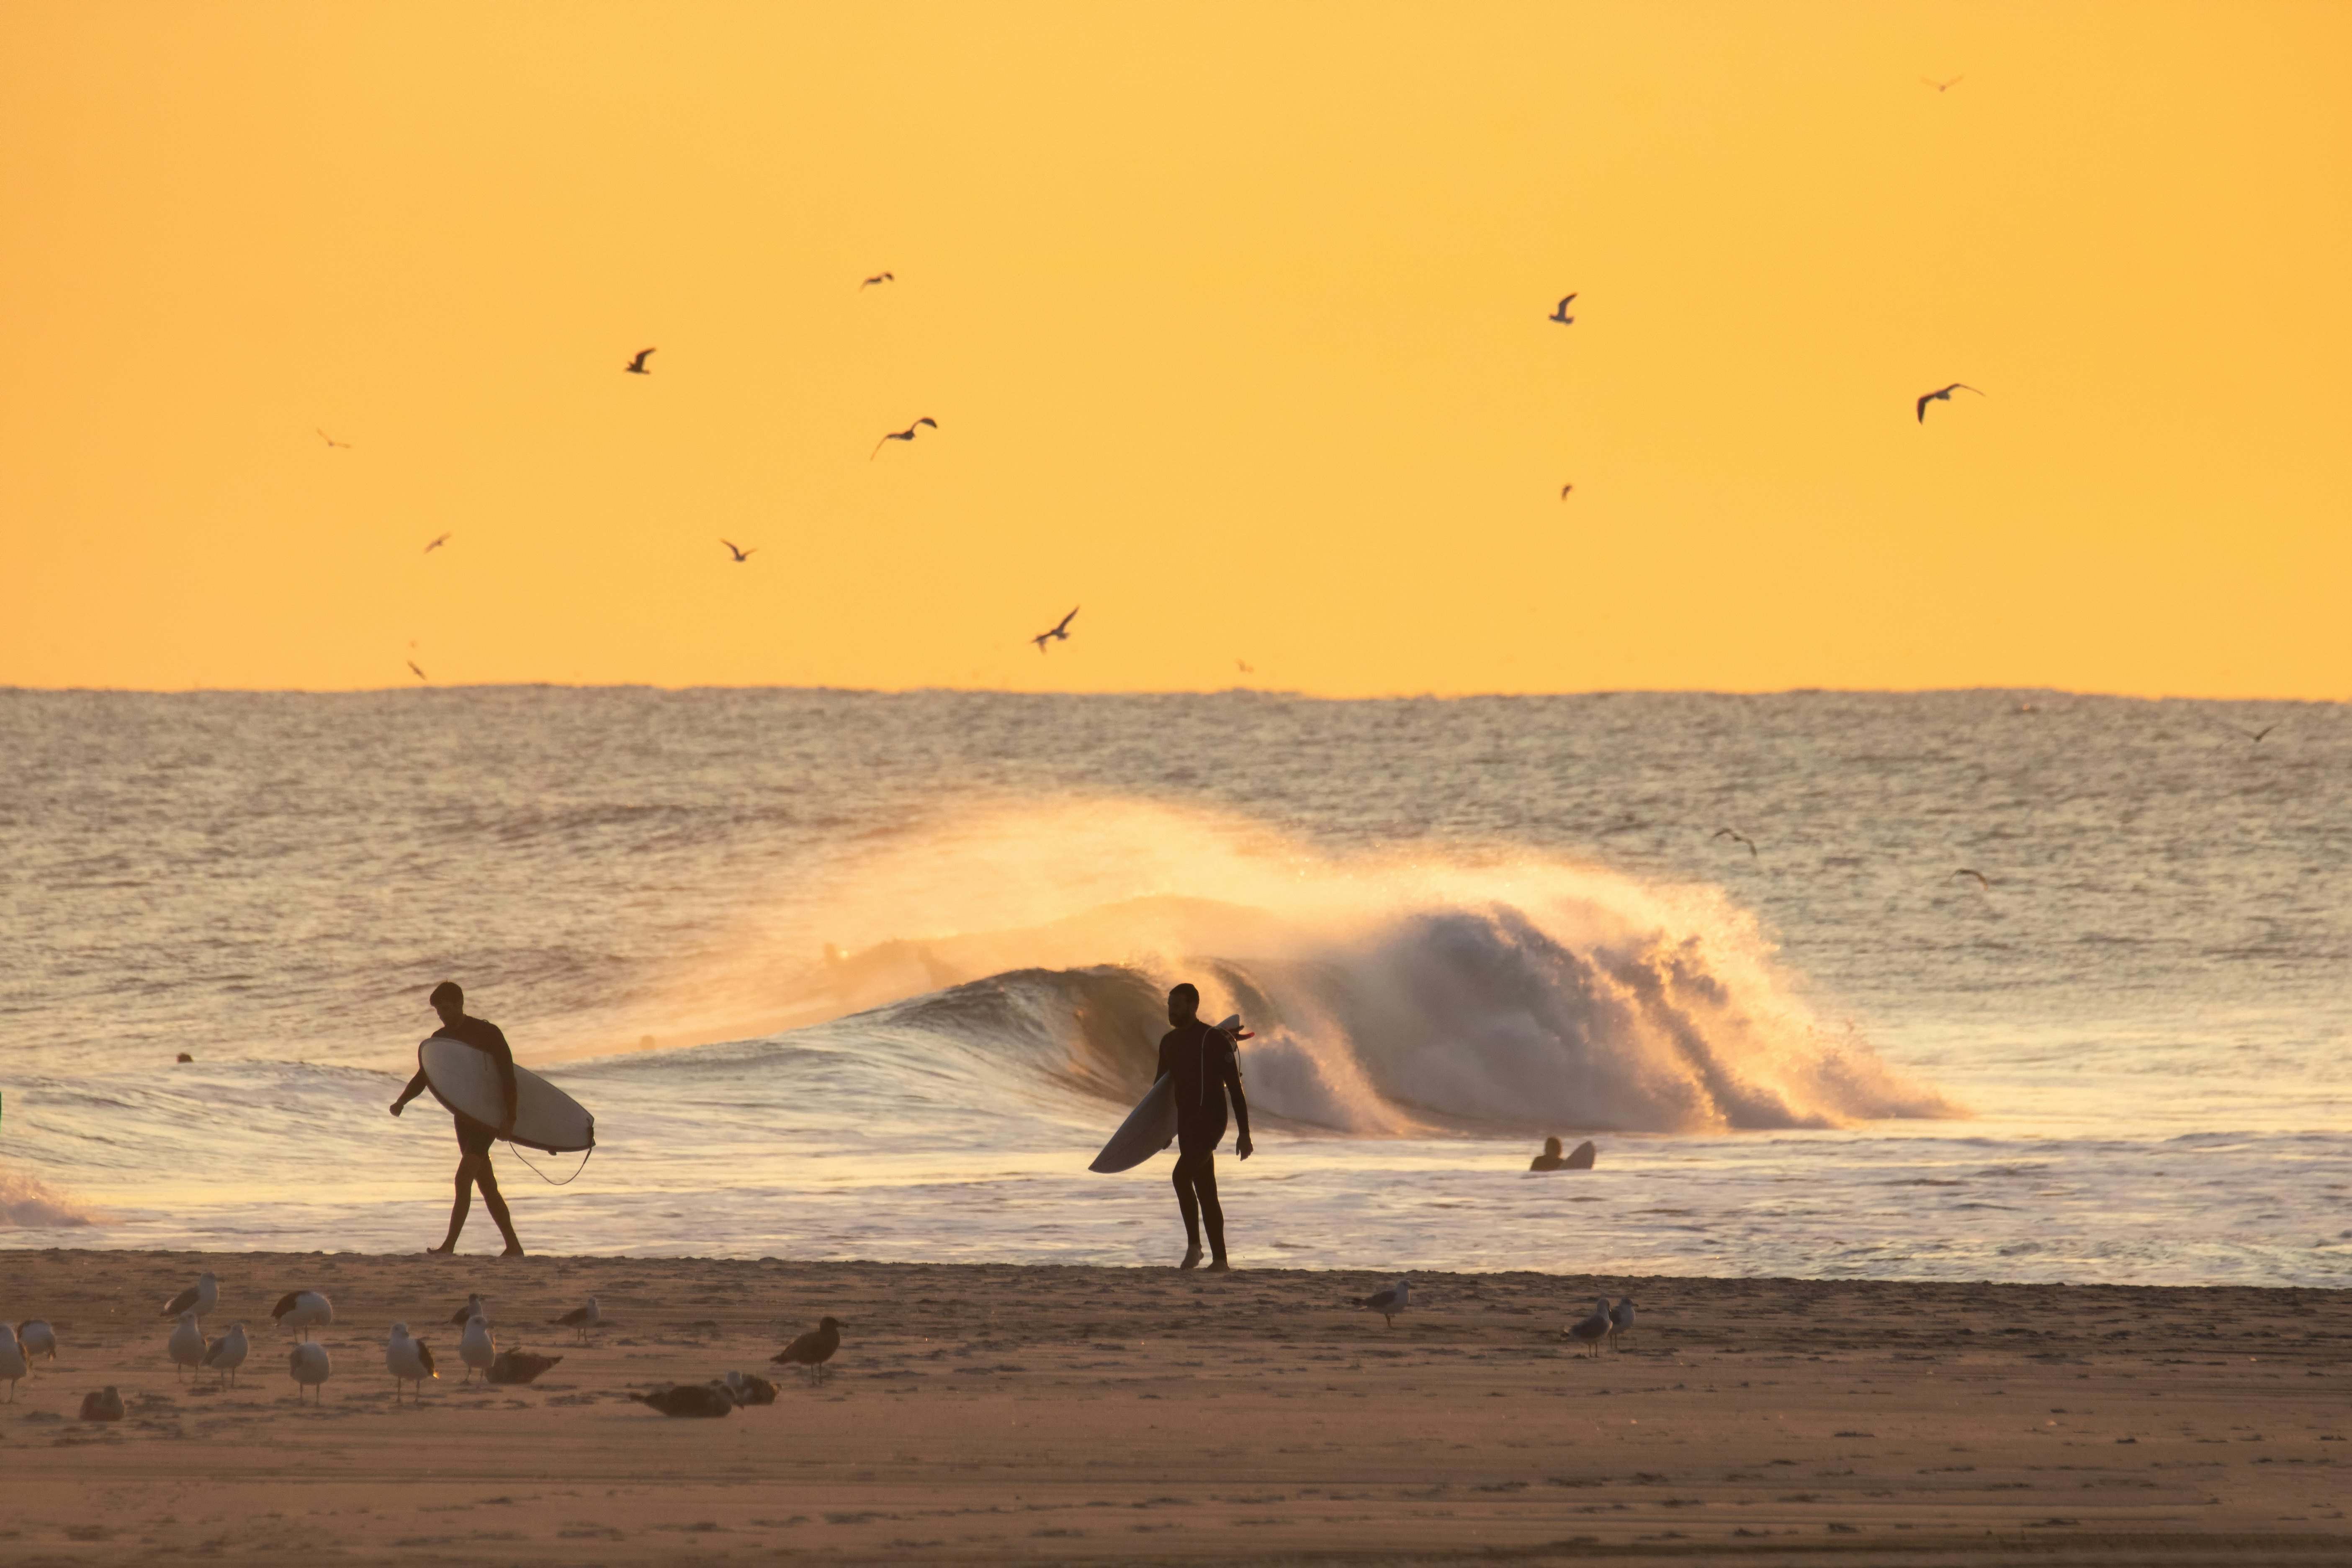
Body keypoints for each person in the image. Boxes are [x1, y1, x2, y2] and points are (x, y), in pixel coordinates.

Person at [391, 981, 523, 1256]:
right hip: (463, 1118)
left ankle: (449, 1245)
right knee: (487, 1185)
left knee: (463, 1179)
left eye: (446, 1008)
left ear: (460, 1004)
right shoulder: (440, 1039)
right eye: (438, 1010)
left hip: (487, 1115)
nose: (442, 1014)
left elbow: (508, 1077)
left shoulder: (487, 1033)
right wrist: (402, 1100)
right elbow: (425, 1076)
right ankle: (514, 1246)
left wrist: (509, 1117)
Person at [1155, 982, 1252, 1272]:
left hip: (1211, 1121)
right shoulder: (1169, 1042)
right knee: (1206, 1190)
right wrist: (1160, 1131)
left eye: (1178, 1005)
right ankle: (1220, 1260)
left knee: (1180, 1175)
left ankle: (1194, 1247)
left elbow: (1235, 1089)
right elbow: (1160, 1090)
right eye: (1170, 1005)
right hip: (1186, 1123)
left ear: (1193, 1005)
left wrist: (1244, 1133)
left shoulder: (1213, 1040)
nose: (1172, 1010)